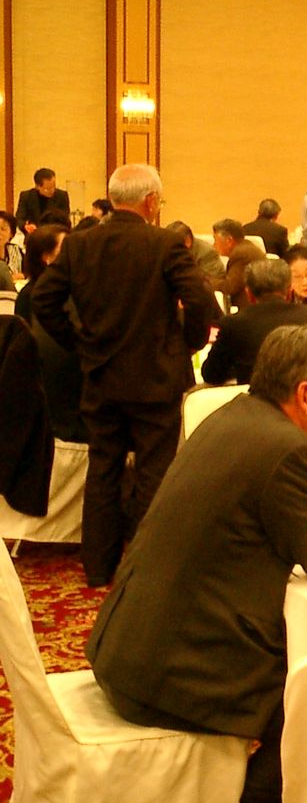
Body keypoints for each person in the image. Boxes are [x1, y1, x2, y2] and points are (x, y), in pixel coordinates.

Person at [87, 325, 307, 803]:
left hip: (130, 643)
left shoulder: (233, 416)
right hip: (175, 672)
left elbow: (249, 513)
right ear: (306, 395)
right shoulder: (291, 450)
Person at [32, 163, 217, 587]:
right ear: (150, 201)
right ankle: (145, 568)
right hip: (156, 378)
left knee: (103, 470)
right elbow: (200, 300)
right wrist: (187, 343)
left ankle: (97, 567)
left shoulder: (80, 245)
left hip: (100, 376)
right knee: (154, 472)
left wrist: (80, 342)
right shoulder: (165, 244)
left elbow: (43, 299)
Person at [200, 258, 307, 385]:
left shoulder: (233, 323)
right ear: (290, 290)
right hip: (306, 395)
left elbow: (212, 375)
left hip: (255, 397)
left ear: (248, 293)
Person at [15, 223, 86, 443]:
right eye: (65, 249)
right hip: (50, 389)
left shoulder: (77, 290)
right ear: (46, 258)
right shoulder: (31, 296)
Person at [210, 218, 267, 311]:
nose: (214, 245)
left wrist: (205, 281)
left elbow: (230, 287)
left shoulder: (241, 254)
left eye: (215, 240)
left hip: (248, 308)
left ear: (229, 240)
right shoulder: (246, 246)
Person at [15, 167, 70, 234]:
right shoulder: (26, 196)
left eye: (54, 186)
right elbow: (19, 218)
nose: (52, 190)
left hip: (54, 234)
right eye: (48, 189)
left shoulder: (62, 196)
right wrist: (26, 226)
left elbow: (65, 219)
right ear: (37, 187)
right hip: (33, 234)